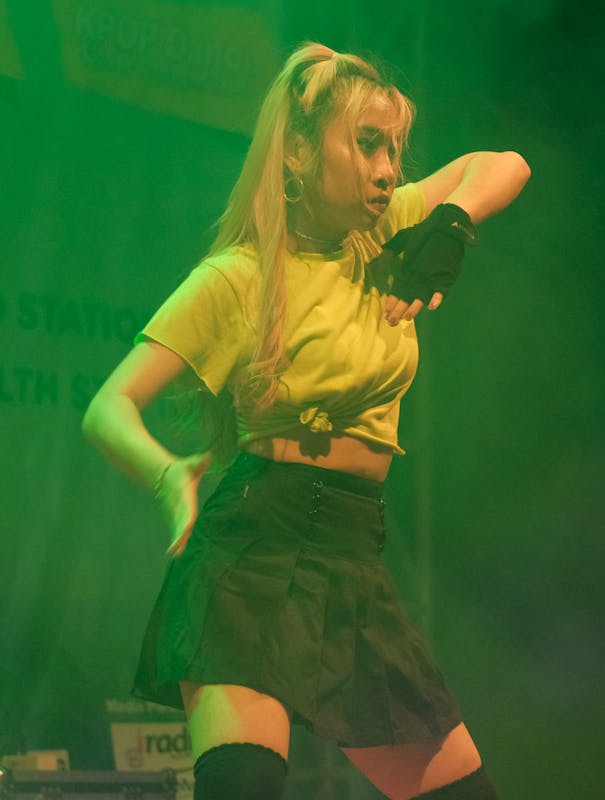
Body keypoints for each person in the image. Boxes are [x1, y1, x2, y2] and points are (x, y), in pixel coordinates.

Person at [82, 42, 529, 800]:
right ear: (294, 153)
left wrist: (452, 223)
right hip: (251, 551)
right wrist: (167, 474)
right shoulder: (239, 278)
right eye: (366, 145)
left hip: (350, 555)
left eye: (395, 149)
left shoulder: (390, 234)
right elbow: (107, 407)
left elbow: (507, 163)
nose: (389, 169)